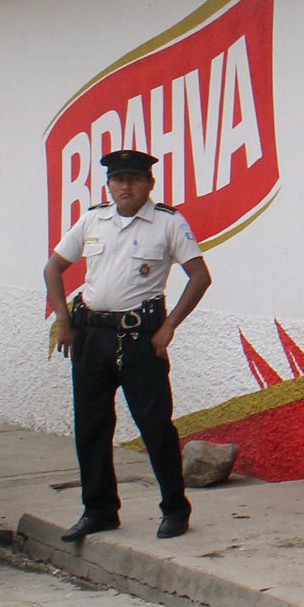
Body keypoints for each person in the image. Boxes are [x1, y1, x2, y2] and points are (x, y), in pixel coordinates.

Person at [44, 149, 212, 542]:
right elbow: (54, 267)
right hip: (91, 336)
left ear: (149, 184)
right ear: (109, 184)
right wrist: (64, 323)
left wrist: (169, 327)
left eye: (134, 179)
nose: (125, 186)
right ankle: (99, 510)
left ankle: (174, 509)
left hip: (140, 339)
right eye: (118, 179)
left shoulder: (168, 223)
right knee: (91, 428)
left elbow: (200, 277)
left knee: (155, 427)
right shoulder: (93, 219)